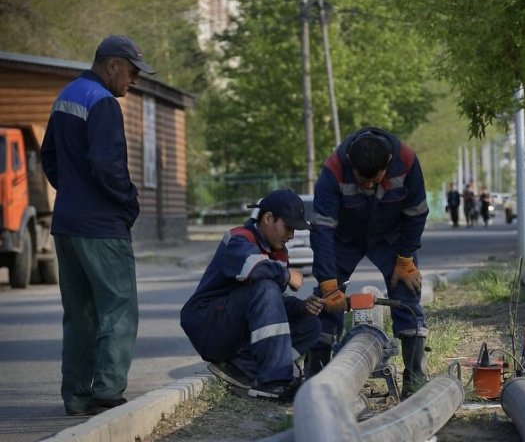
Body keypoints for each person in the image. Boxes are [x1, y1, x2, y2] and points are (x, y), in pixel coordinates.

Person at [41, 35, 155, 417]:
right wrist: (128, 202)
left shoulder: (66, 96)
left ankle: (76, 396)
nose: (134, 79)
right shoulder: (103, 102)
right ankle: (106, 391)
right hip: (102, 226)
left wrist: (72, 192)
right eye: (133, 71)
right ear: (112, 66)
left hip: (67, 224)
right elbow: (108, 166)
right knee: (119, 308)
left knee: (79, 315)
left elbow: (50, 159)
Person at [308, 126, 430, 396]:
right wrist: (329, 283)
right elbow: (322, 230)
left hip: (391, 236)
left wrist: (405, 260)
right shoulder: (334, 169)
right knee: (326, 300)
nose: (367, 187)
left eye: (373, 181)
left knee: (407, 294)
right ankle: (314, 378)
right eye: (361, 180)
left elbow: (416, 213)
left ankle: (414, 378)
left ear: (388, 163)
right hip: (345, 237)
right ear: (350, 163)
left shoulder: (407, 162)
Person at [180, 190, 323, 401]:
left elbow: (273, 306)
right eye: (288, 227)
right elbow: (253, 268)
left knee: (311, 325)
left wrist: (302, 308)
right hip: (209, 326)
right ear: (268, 218)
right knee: (265, 287)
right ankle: (272, 383)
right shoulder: (238, 238)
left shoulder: (278, 253)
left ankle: (244, 370)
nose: (291, 235)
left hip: (235, 328)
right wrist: (285, 274)